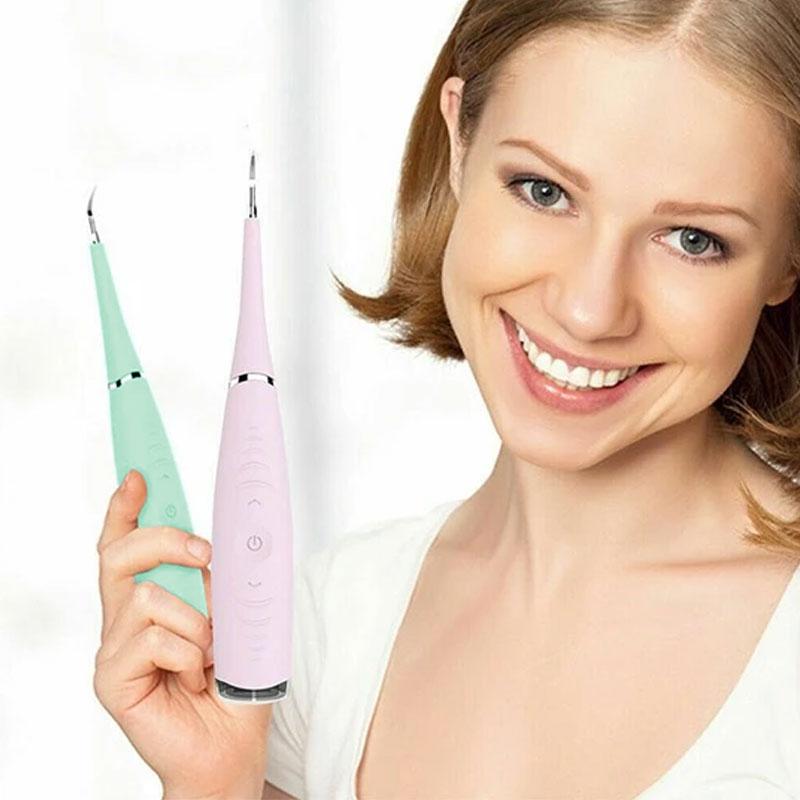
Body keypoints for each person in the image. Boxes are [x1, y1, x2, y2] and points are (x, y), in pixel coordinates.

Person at [93, 1, 800, 798]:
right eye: (543, 190)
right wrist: (215, 781)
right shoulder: (329, 627)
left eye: (694, 240)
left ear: (789, 257)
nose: (590, 309)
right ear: (461, 140)